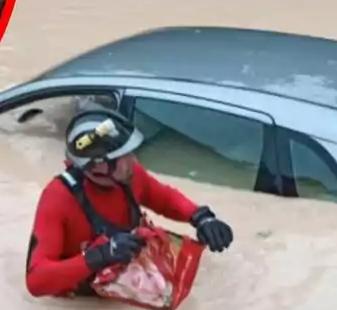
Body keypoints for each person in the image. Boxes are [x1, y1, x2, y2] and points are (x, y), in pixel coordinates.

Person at [24, 108, 235, 299]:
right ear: (97, 167)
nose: (132, 159)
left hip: (128, 282)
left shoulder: (128, 175)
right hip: (82, 305)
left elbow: (163, 198)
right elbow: (37, 280)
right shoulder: (57, 199)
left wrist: (201, 217)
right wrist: (102, 255)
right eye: (122, 156)